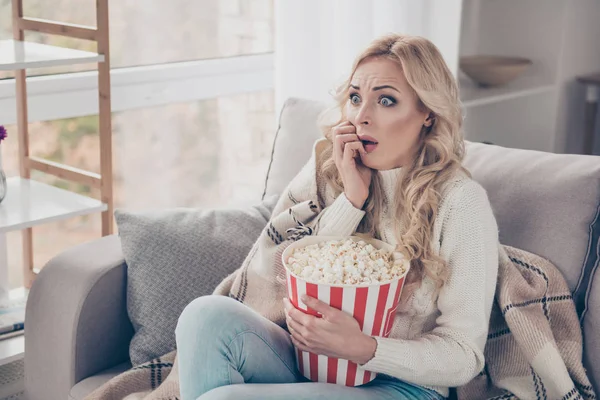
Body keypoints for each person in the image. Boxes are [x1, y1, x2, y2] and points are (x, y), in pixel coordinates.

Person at [174, 33, 500, 400]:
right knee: (204, 316)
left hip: (401, 386)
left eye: (386, 101)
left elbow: (463, 355)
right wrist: (351, 199)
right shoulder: (330, 166)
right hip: (308, 362)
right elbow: (284, 274)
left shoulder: (460, 202)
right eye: (356, 98)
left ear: (427, 113)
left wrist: (365, 348)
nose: (362, 117)